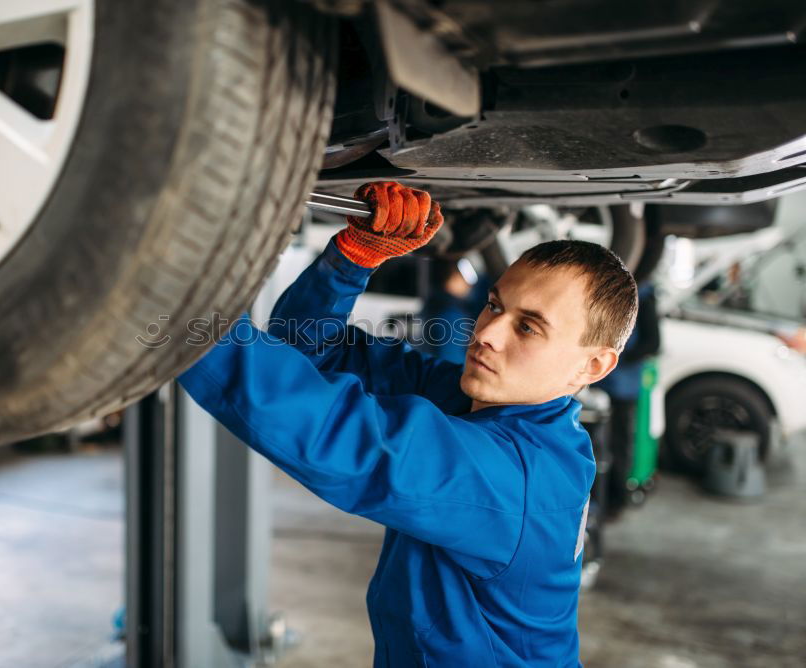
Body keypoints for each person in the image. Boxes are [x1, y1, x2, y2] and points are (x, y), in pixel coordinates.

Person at [177, 181, 638, 666]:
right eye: (494, 305)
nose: (485, 333)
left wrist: (167, 305)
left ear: (593, 367)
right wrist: (353, 259)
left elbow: (333, 434)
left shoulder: (513, 478)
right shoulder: (482, 405)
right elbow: (308, 354)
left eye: (528, 327)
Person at [593, 280, 661, 517]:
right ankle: (598, 497)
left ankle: (615, 500)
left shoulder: (642, 294)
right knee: (596, 443)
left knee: (618, 443)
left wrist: (614, 359)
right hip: (599, 383)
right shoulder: (605, 286)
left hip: (622, 385)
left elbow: (652, 342)